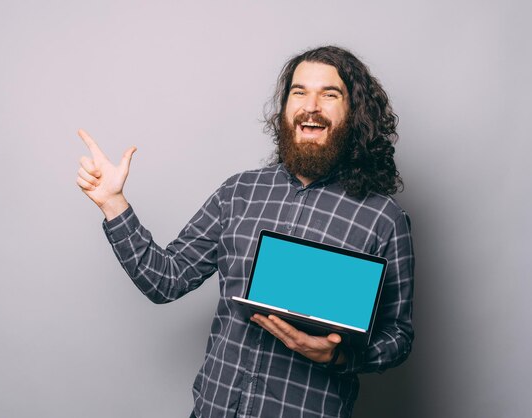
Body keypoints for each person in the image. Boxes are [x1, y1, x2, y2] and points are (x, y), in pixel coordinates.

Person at [75, 45, 414, 418]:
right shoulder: (240, 192)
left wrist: (338, 355)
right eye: (299, 92)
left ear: (353, 113)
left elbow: (397, 336)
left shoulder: (382, 217)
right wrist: (112, 202)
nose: (311, 105)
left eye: (329, 94)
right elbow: (165, 280)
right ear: (285, 108)